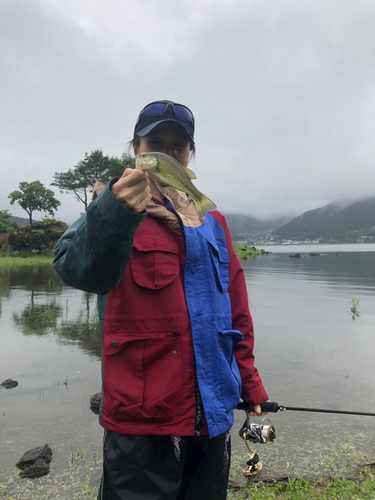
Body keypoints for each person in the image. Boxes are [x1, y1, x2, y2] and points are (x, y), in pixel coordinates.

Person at [53, 100, 269, 500]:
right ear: (136, 150)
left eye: (178, 146)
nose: (166, 153)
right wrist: (115, 213)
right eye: (155, 142)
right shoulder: (111, 206)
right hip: (142, 421)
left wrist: (249, 382)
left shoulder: (213, 222)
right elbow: (77, 270)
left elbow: (236, 310)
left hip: (214, 415)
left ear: (189, 156)